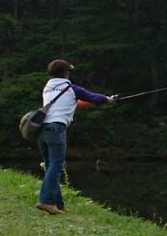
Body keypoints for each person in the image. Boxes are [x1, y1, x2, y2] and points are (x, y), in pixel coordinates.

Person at [36, 59, 116, 215]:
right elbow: (93, 97)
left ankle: (57, 205)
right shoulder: (70, 88)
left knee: (51, 165)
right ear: (65, 72)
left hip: (42, 130)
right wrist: (108, 99)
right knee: (56, 166)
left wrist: (92, 102)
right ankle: (46, 201)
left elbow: (74, 103)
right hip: (56, 129)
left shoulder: (48, 88)